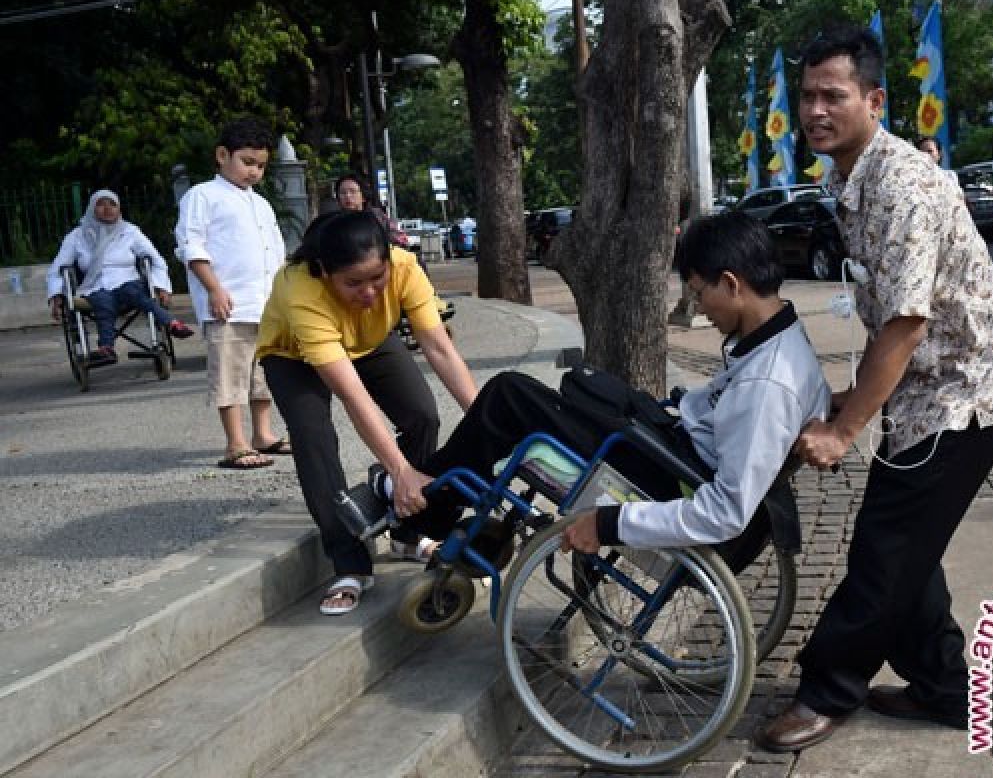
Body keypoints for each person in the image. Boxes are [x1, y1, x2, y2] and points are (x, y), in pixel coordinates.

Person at [754, 27, 993, 753]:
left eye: (833, 95)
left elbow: (906, 326)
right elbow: (889, 315)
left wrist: (843, 429)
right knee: (909, 545)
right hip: (928, 387)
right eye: (808, 95)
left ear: (874, 100)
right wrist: (850, 400)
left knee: (885, 545)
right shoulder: (851, 178)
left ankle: (828, 688)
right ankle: (949, 689)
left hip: (966, 390)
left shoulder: (903, 185)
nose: (816, 110)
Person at [374, 211, 830, 559]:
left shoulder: (768, 382)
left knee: (507, 397)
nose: (698, 306)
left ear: (731, 284)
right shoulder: (783, 339)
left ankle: (417, 503)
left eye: (698, 291)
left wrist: (611, 524)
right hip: (672, 447)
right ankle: (426, 499)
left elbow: (723, 513)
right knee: (559, 392)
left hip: (668, 475)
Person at [256, 210, 478, 615]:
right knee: (314, 437)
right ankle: (350, 564)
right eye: (353, 283)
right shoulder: (299, 290)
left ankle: (409, 530)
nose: (370, 292)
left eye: (377, 278)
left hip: (372, 340)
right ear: (324, 272)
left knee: (422, 414)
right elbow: (353, 396)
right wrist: (399, 468)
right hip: (292, 356)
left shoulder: (405, 266)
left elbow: (440, 348)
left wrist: (486, 418)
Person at [175, 117, 289, 470]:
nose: (254, 171)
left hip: (264, 302)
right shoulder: (203, 196)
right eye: (247, 162)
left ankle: (263, 434)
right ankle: (235, 442)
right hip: (228, 302)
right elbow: (190, 244)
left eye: (261, 165)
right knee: (230, 372)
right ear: (222, 155)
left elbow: (276, 250)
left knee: (262, 373)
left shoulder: (261, 204)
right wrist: (213, 288)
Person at [47, 190, 194, 362]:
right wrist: (56, 294)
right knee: (103, 303)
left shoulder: (130, 231)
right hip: (95, 285)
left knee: (136, 295)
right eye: (101, 204)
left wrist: (161, 286)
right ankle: (106, 348)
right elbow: (58, 267)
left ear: (119, 209)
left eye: (112, 204)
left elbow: (155, 260)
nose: (107, 208)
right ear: (91, 209)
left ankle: (172, 324)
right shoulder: (77, 236)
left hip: (127, 281)